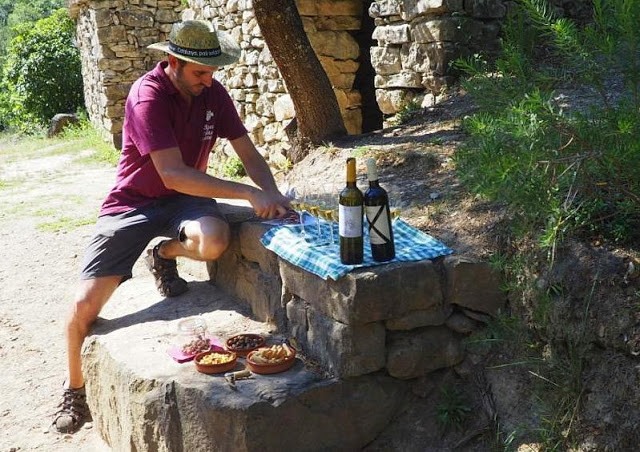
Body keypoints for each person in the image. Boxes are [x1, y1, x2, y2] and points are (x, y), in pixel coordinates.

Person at [51, 19, 290, 434]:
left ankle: (163, 254)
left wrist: (272, 193)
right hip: (133, 202)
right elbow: (172, 173)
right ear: (173, 62)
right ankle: (74, 389)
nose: (209, 79)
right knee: (83, 308)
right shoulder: (147, 95)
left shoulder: (212, 92)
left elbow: (247, 152)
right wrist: (249, 194)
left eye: (213, 71)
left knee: (214, 241)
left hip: (184, 200)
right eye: (200, 71)